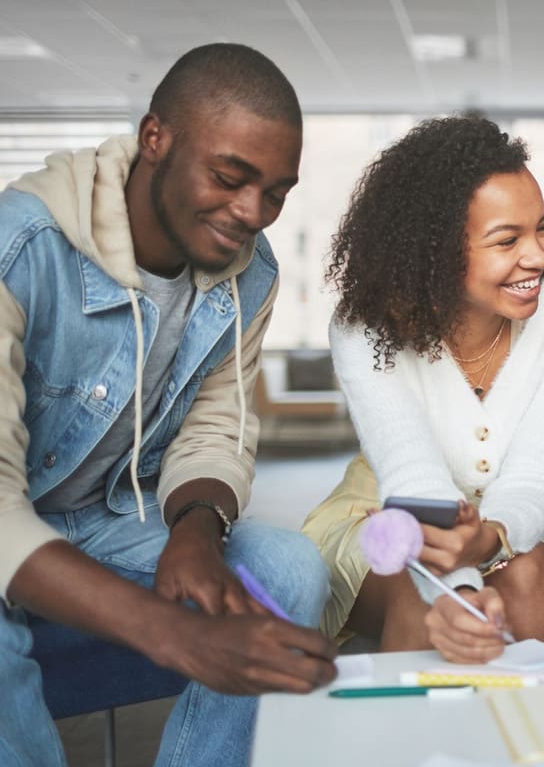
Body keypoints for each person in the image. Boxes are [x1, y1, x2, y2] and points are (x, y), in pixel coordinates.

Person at [0, 43, 337, 766]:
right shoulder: (20, 250)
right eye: (230, 176)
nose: (252, 212)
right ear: (156, 138)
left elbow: (219, 423)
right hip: (9, 511)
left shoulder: (251, 273)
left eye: (276, 191)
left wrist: (197, 527)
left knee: (286, 569)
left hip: (99, 516)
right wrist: (177, 633)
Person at [301, 116, 544, 664]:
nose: (539, 255)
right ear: (434, 251)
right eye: (506, 240)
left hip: (520, 509)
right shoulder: (364, 327)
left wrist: (492, 537)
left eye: (543, 227)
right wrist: (458, 588)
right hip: (389, 511)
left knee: (526, 574)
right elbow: (413, 474)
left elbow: (537, 471)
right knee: (423, 596)